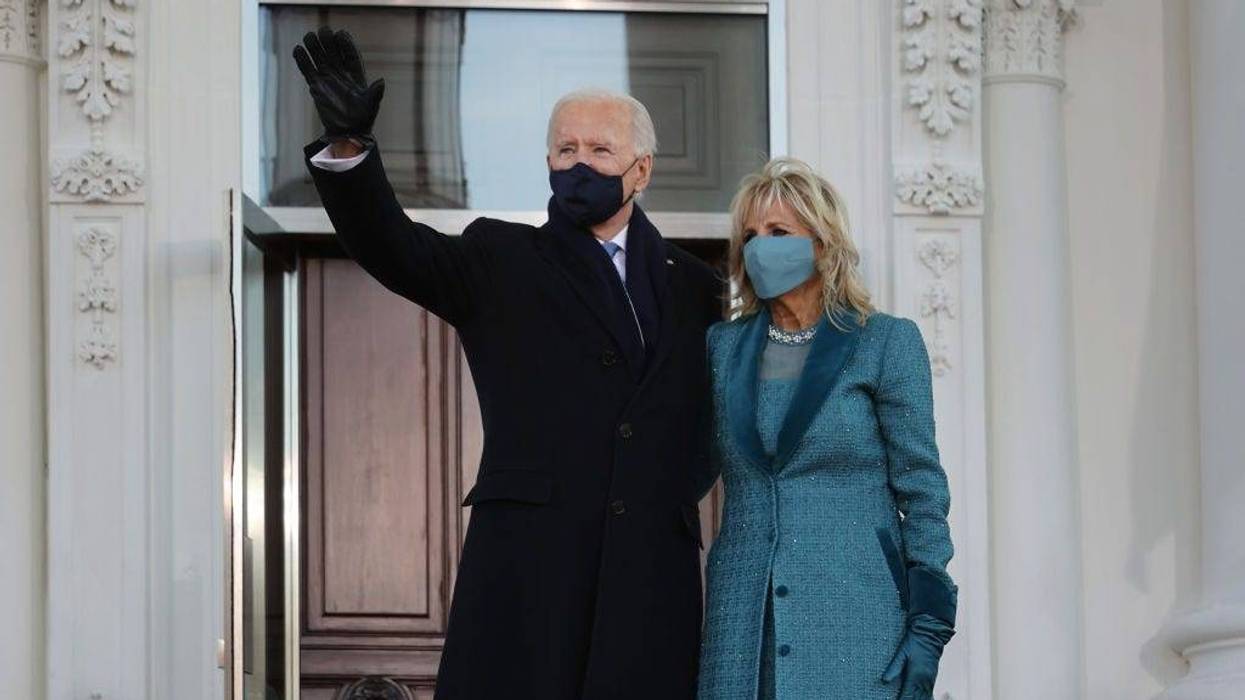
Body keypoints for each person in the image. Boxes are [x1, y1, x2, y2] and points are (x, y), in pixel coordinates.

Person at [293, 27, 721, 700]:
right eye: (565, 148)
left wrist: (659, 492)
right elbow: (393, 246)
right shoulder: (502, 258)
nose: (579, 163)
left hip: (649, 580)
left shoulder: (697, 286)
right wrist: (349, 149)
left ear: (640, 170)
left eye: (599, 149)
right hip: (528, 574)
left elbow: (717, 421)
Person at [696, 157, 957, 700]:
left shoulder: (884, 342)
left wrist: (929, 627)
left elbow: (923, 490)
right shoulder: (722, 349)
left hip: (856, 619)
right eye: (749, 235)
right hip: (743, 626)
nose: (758, 246)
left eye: (778, 232)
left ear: (822, 242)